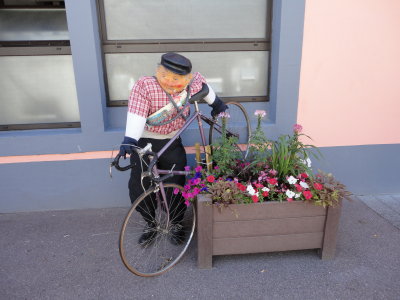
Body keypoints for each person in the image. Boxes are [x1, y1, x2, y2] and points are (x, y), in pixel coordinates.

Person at [119, 52, 227, 246]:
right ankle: (151, 224)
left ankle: (175, 223)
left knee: (176, 181)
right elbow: (136, 111)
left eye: (176, 79)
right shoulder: (145, 86)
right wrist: (129, 140)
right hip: (143, 141)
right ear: (158, 71)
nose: (169, 82)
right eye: (164, 76)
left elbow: (204, 88)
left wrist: (217, 104)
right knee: (140, 183)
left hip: (172, 139)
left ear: (185, 79)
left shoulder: (191, 84)